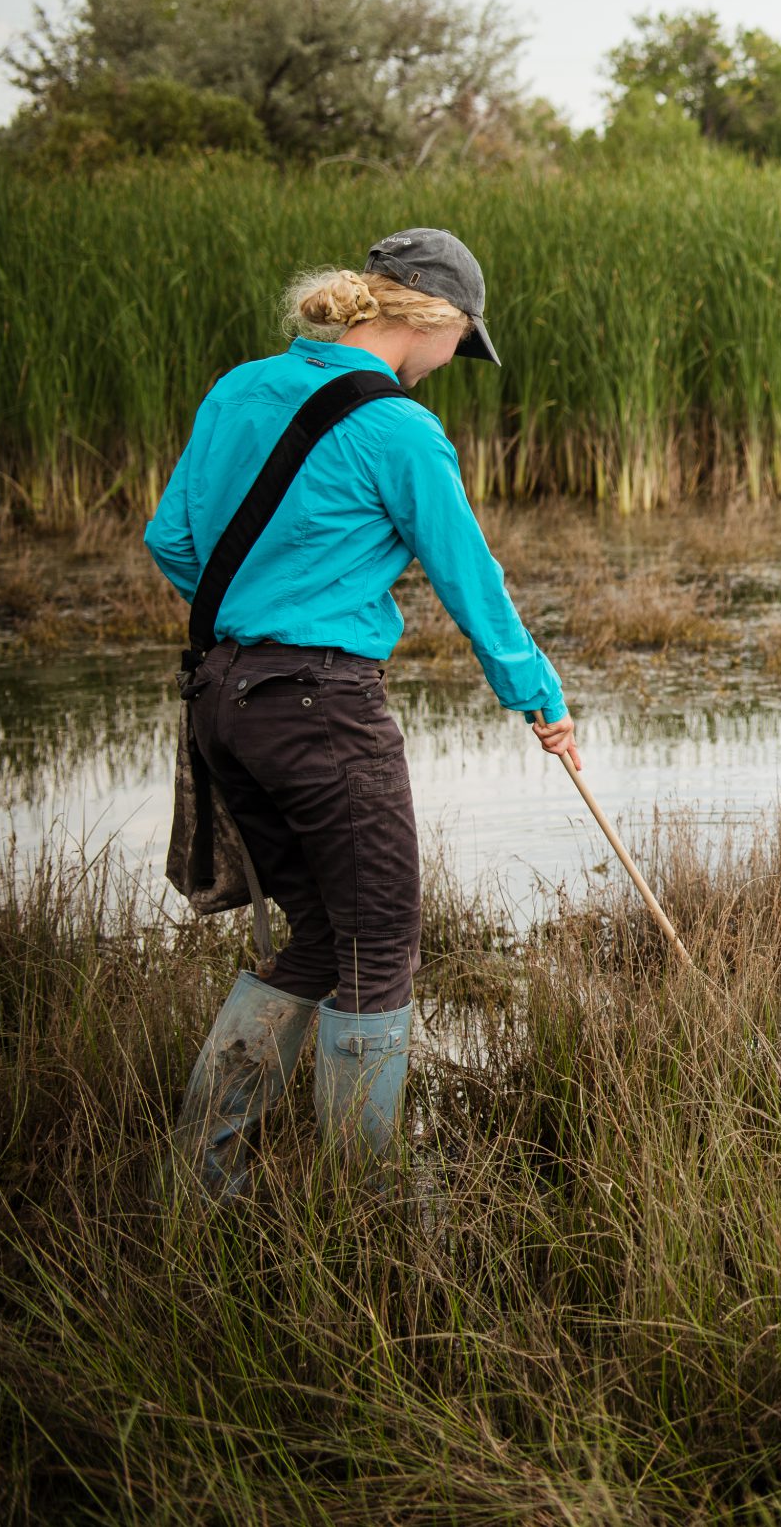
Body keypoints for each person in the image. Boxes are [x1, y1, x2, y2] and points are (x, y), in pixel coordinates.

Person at [148, 227, 580, 1196]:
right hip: (321, 710)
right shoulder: (399, 429)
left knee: (319, 934)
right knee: (380, 943)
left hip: (223, 700)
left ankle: (200, 1177)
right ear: (430, 318)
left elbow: (172, 538)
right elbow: (472, 580)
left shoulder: (240, 387)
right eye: (458, 343)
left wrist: (262, 602)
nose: (447, 367)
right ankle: (366, 1203)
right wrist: (539, 698)